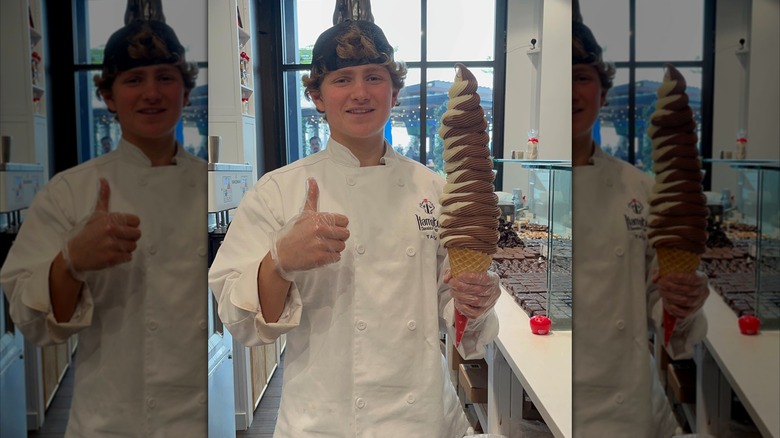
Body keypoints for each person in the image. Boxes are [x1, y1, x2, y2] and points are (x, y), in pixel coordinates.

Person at [209, 19, 500, 437]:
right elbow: (241, 322)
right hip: (322, 418)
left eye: (374, 78)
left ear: (393, 92)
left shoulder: (436, 191)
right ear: (317, 97)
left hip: (422, 415)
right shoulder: (277, 191)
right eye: (342, 79)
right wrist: (279, 261)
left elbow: (452, 311)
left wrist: (475, 299)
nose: (360, 92)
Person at [1, 19, 207, 436]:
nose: (151, 92)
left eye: (164, 77)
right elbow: (28, 315)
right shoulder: (69, 191)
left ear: (185, 92)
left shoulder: (214, 186)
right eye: (134, 79)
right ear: (108, 97)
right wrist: (70, 262)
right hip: (111, 417)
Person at [571, 15, 709, 437]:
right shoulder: (539, 193)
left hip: (627, 398)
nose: (571, 92)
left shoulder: (643, 189)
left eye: (581, 77)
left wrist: (680, 302)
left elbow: (660, 311)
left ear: (603, 90)